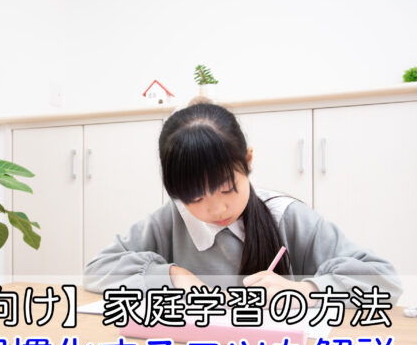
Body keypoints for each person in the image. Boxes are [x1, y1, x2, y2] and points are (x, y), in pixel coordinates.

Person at [83, 99, 402, 305]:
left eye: (226, 189)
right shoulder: (170, 220)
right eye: (195, 197)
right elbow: (97, 271)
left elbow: (384, 281)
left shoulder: (286, 216)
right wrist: (173, 276)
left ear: (248, 161)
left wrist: (305, 290)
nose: (215, 210)